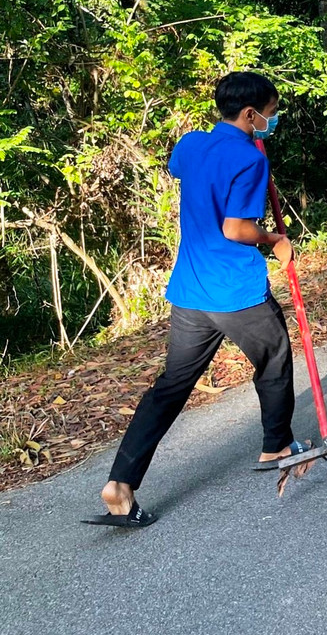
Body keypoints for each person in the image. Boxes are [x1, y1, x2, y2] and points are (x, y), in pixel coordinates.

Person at [88, 72, 301, 528]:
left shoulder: (190, 144)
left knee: (171, 386)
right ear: (250, 114)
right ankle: (277, 446)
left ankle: (120, 484)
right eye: (271, 112)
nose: (273, 119)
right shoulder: (249, 158)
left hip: (190, 290)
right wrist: (275, 240)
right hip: (235, 291)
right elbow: (236, 229)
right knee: (274, 360)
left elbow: (179, 168)